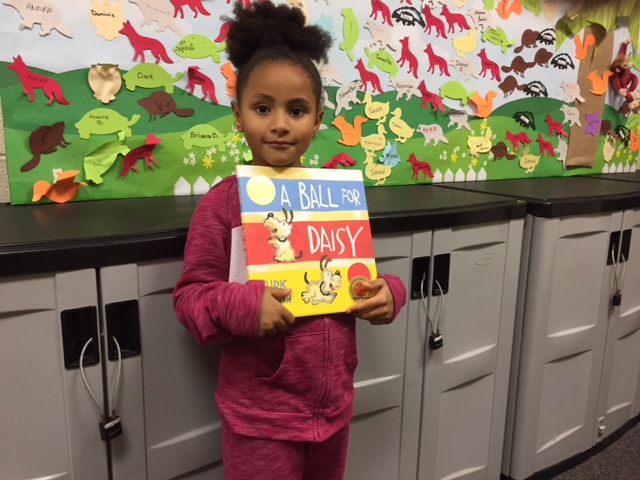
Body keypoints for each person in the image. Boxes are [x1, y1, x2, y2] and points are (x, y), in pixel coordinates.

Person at [173, 2, 407, 479]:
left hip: (333, 408)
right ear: (238, 115)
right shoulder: (223, 206)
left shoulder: (334, 195)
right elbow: (190, 299)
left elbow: (355, 276)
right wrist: (244, 306)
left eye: (296, 110)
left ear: (317, 119)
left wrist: (390, 293)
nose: (280, 123)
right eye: (263, 108)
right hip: (261, 419)